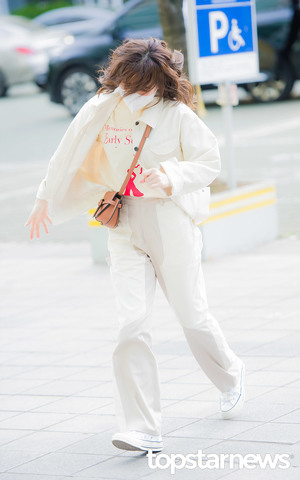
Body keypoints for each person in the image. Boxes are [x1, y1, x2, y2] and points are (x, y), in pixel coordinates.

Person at [25, 37, 245, 454]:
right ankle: (141, 426)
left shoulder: (177, 114)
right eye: (129, 83)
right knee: (131, 323)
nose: (136, 92)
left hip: (170, 221)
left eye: (144, 85)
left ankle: (231, 373)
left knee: (192, 316)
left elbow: (208, 160)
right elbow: (67, 150)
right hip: (123, 224)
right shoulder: (102, 107)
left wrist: (170, 177)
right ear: (118, 78)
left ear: (159, 80)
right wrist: (43, 197)